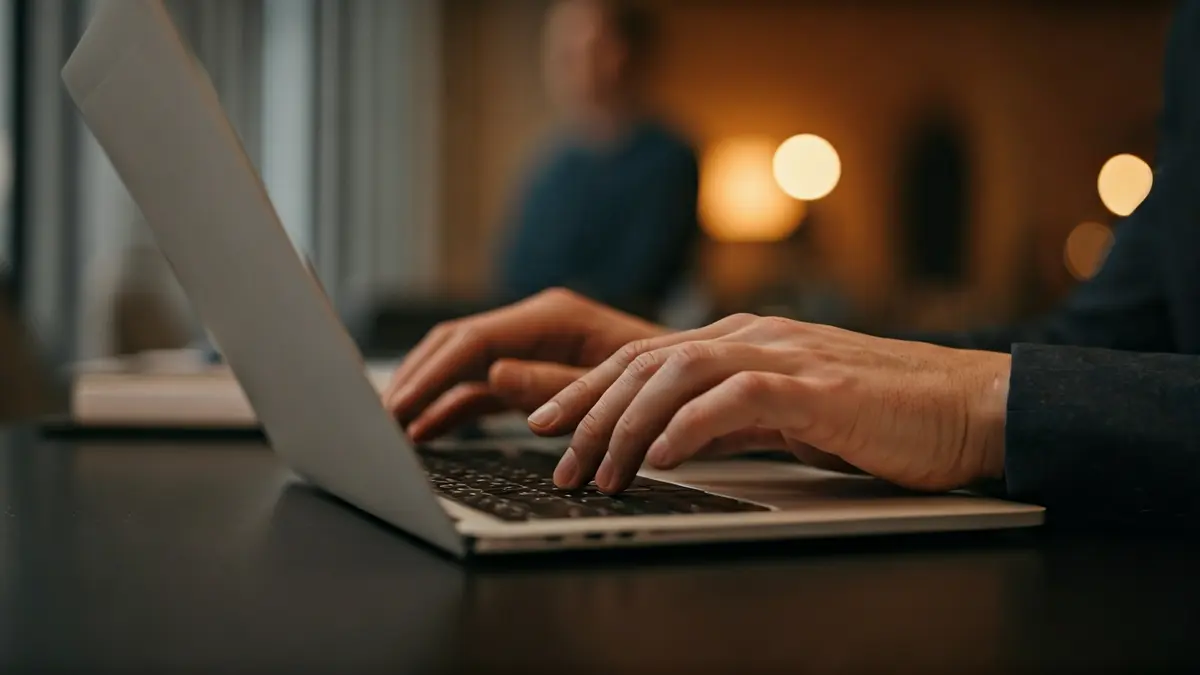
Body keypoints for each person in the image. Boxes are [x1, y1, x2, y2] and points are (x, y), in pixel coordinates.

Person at [383, 1, 1200, 532]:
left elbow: (1026, 387)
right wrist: (741, 370)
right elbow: (1100, 341)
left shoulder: (666, 155)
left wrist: (979, 406)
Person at [493, 0, 700, 319]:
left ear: (619, 54)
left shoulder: (667, 161)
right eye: (557, 51)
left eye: (576, 50)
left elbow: (639, 281)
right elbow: (514, 275)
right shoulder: (551, 164)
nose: (561, 64)